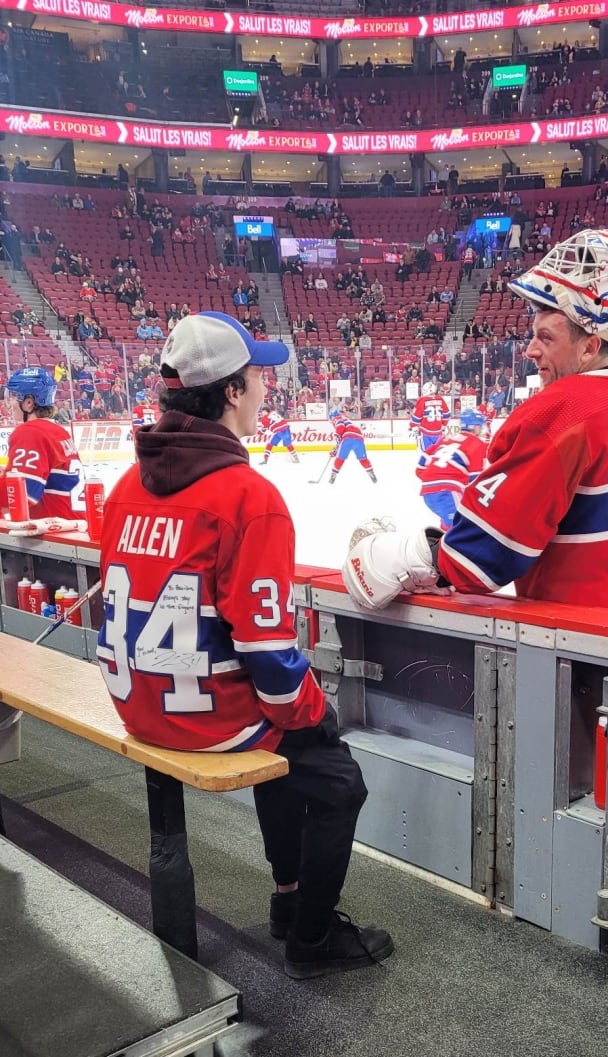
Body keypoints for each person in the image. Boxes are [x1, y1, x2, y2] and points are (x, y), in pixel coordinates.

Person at [95, 312, 393, 979]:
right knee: (338, 773)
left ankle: (288, 896)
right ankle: (312, 936)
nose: (267, 386)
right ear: (231, 391)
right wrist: (317, 709)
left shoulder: (125, 485)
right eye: (259, 374)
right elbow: (268, 653)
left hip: (135, 702)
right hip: (202, 718)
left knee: (289, 743)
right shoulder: (247, 496)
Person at [342, 229, 608, 620]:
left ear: (589, 346)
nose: (531, 350)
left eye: (546, 338)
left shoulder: (561, 413)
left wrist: (399, 555)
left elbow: (480, 558)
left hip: (585, 644)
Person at [0, 367, 84, 521]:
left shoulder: (30, 432)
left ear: (29, 403)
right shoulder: (59, 431)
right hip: (74, 527)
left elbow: (23, 495)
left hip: (54, 537)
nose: (8, 404)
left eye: (13, 397)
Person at [416, 408, 488, 531]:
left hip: (427, 493)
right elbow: (475, 480)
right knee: (462, 530)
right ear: (475, 426)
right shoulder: (478, 444)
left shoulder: (446, 438)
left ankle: (441, 546)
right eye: (480, 425)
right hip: (448, 492)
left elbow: (420, 466)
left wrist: (434, 478)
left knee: (449, 527)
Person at [328, 407, 377, 485]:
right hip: (359, 439)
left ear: (332, 416)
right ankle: (371, 473)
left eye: (330, 419)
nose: (330, 422)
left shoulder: (337, 418)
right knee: (363, 458)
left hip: (347, 439)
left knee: (340, 458)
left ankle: (333, 476)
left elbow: (341, 427)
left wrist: (336, 447)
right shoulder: (347, 419)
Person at [410, 381, 452, 451]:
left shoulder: (422, 400)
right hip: (438, 432)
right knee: (437, 453)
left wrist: (413, 426)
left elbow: (416, 417)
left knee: (427, 453)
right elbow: (447, 414)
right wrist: (444, 424)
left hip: (425, 432)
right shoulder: (440, 399)